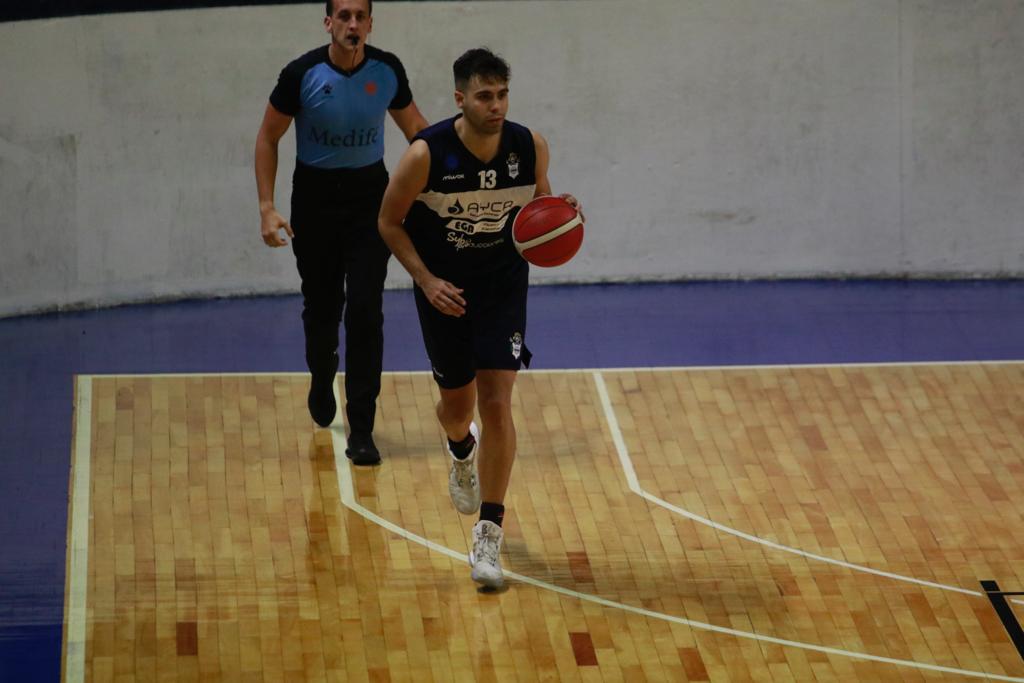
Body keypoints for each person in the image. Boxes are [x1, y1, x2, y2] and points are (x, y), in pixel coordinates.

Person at [378, 48, 582, 588]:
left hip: (501, 288)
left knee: (496, 401)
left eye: (503, 94)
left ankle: (488, 532)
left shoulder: (529, 146)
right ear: (460, 99)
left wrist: (561, 213)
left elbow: (539, 209)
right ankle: (459, 447)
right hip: (445, 291)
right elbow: (389, 222)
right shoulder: (425, 155)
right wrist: (426, 280)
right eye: (485, 96)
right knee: (456, 408)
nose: (497, 105)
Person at [254, 0, 428, 465]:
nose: (353, 24)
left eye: (360, 17)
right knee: (323, 306)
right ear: (328, 23)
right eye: (344, 16)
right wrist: (267, 207)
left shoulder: (387, 71)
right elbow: (268, 137)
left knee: (366, 309)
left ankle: (362, 427)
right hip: (315, 201)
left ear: (371, 23)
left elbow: (418, 131)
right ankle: (320, 371)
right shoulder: (301, 74)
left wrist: (449, 174)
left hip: (370, 200)